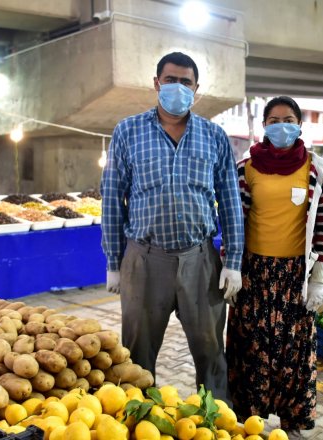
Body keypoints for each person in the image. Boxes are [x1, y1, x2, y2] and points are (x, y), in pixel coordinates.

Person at [100, 52, 244, 400]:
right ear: (156, 83)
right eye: (170, 80)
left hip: (200, 260)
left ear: (196, 90)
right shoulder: (127, 131)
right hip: (144, 260)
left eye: (186, 82)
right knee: (137, 356)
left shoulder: (214, 136)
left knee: (211, 354)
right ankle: (140, 423)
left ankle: (213, 426)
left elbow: (229, 200)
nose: (177, 88)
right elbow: (111, 198)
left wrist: (234, 261)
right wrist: (113, 263)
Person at [225, 96, 323, 436]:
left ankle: (293, 424)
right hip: (254, 274)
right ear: (264, 126)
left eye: (287, 119)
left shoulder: (317, 170)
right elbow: (233, 221)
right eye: (273, 120)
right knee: (250, 348)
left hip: (295, 278)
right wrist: (229, 266)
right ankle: (248, 422)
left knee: (295, 354)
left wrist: (320, 280)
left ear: (299, 125)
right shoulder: (245, 169)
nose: (280, 125)